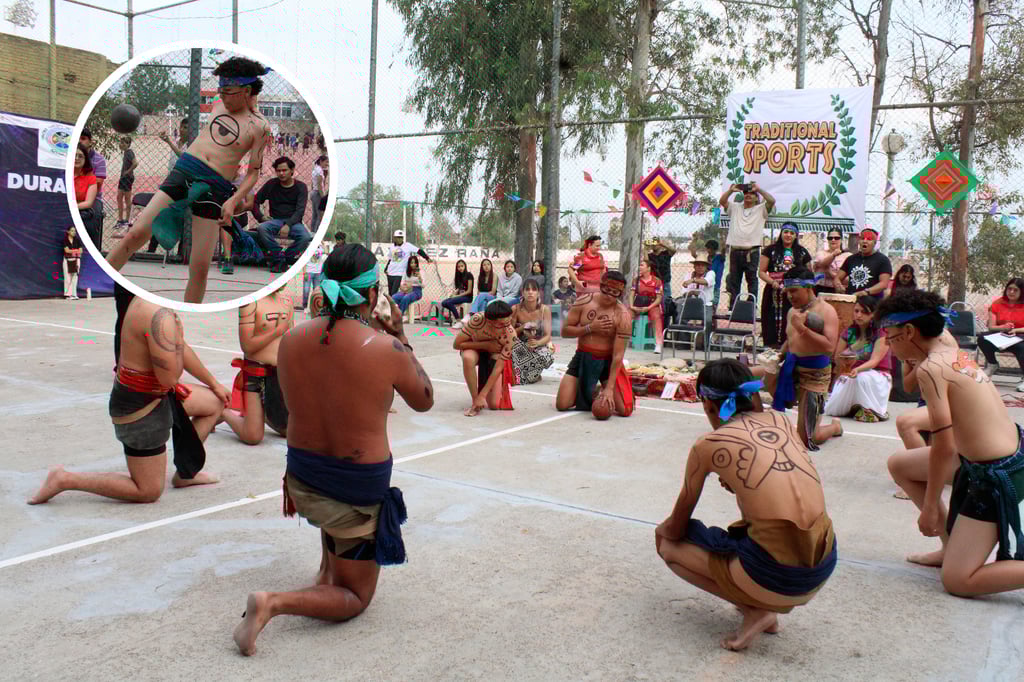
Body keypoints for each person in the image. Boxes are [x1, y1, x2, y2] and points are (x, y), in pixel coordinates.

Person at [232, 244, 434, 656]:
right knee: (355, 598)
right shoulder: (384, 348)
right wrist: (398, 333)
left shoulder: (291, 339)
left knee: (332, 532)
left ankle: (328, 569)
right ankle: (272, 603)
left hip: (302, 480)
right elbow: (424, 398)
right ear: (373, 294)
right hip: (353, 492)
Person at [654, 358, 837, 651]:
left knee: (667, 544)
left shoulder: (708, 445)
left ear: (709, 406)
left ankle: (756, 609)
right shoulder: (780, 420)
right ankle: (759, 601)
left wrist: (660, 531)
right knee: (754, 530)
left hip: (777, 576)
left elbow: (676, 528)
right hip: (823, 561)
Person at [877, 289, 1024, 597]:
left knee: (957, 581)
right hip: (990, 454)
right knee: (900, 464)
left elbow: (943, 447)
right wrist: (908, 352)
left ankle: (956, 555)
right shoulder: (945, 343)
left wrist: (930, 507)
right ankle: (950, 545)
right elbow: (908, 384)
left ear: (909, 331)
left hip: (998, 473)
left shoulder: (932, 369)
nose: (888, 345)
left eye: (890, 337)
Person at [27, 285, 226, 505]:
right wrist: (177, 339)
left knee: (215, 402)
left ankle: (186, 473)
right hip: (141, 408)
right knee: (148, 491)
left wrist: (214, 384)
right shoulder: (158, 315)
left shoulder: (151, 305)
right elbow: (169, 378)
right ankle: (64, 479)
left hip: (157, 397)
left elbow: (179, 347)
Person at [106, 57, 273, 303]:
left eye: (229, 92)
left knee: (200, 265)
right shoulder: (219, 104)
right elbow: (230, 87)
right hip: (186, 170)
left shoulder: (260, 126)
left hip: (215, 187)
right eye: (220, 91)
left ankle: (187, 314)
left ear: (246, 91)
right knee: (136, 234)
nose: (222, 96)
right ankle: (95, 283)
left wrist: (234, 200)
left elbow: (253, 173)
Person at [752, 266, 843, 450]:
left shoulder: (827, 311)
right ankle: (760, 421)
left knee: (809, 439)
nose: (790, 296)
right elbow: (791, 339)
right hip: (791, 367)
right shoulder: (793, 311)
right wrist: (777, 356)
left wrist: (802, 328)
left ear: (809, 288)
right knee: (744, 376)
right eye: (787, 292)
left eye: (794, 291)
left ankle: (834, 427)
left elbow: (829, 347)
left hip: (815, 376)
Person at [556, 271, 635, 417]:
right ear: (601, 286)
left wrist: (610, 388)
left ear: (620, 294)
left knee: (624, 410)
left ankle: (600, 388)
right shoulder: (584, 301)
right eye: (607, 290)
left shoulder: (622, 316)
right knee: (562, 404)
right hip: (583, 356)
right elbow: (565, 332)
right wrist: (590, 328)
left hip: (607, 361)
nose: (609, 296)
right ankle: (591, 390)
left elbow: (618, 356)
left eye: (615, 293)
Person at [222, 287, 294, 445]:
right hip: (256, 372)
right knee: (253, 437)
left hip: (279, 373)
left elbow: (290, 337)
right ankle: (222, 413)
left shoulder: (287, 300)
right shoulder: (250, 301)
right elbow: (247, 346)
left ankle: (262, 414)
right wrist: (277, 331)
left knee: (288, 431)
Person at [824, 295, 892, 422]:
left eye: (864, 312)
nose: (859, 315)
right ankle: (857, 408)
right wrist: (854, 347)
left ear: (873, 314)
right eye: (856, 311)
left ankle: (871, 409)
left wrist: (858, 370)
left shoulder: (881, 332)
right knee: (832, 409)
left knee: (861, 378)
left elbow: (874, 361)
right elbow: (837, 358)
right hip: (851, 374)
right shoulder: (849, 332)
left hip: (877, 376)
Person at [453, 301, 517, 416]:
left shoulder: (511, 334)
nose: (505, 327)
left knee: (494, 405)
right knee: (467, 358)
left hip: (494, 355)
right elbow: (457, 345)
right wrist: (485, 345)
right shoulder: (478, 319)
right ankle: (475, 400)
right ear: (490, 322)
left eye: (508, 322)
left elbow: (498, 367)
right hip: (475, 349)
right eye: (501, 324)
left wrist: (483, 395)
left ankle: (481, 396)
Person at [720, 182, 776, 309]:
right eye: (746, 193)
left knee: (751, 280)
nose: (748, 195)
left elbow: (772, 201)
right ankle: (733, 307)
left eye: (752, 194)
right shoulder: (735, 207)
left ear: (757, 198)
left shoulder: (761, 209)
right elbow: (722, 201)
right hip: (735, 250)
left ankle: (751, 307)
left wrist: (759, 189)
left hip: (752, 251)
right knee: (734, 280)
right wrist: (731, 191)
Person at [252, 157, 312, 273]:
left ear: (292, 170)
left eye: (284, 170)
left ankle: (285, 259)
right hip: (275, 220)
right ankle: (278, 257)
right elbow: (255, 201)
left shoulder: (301, 187)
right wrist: (261, 216)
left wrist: (288, 225)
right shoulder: (271, 184)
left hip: (294, 222)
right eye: (278, 171)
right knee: (262, 228)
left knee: (305, 237)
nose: (281, 173)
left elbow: (300, 211)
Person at [758, 224, 812, 349]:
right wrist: (773, 282)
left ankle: (789, 348)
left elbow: (809, 274)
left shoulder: (802, 252)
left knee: (791, 317)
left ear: (796, 236)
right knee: (770, 318)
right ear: (781, 233)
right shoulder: (770, 250)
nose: (788, 235)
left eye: (792, 233)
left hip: (794, 293)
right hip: (773, 290)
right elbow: (761, 272)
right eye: (786, 232)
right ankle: (770, 350)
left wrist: (798, 285)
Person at [979, 277, 1024, 387]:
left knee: (1022, 348)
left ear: (1022, 291)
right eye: (1009, 289)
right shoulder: (997, 303)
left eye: (1015, 290)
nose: (1011, 292)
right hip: (1001, 335)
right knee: (982, 338)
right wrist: (1003, 327)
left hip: (1020, 336)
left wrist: (1015, 330)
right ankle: (992, 364)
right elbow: (991, 327)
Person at [511, 279, 555, 384]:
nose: (530, 292)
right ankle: (531, 374)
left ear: (538, 293)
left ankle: (532, 373)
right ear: (522, 292)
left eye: (534, 289)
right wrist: (522, 328)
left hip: (538, 345)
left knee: (547, 356)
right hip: (519, 346)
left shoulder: (545, 310)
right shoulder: (515, 309)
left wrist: (537, 343)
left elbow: (548, 335)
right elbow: (509, 334)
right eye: (527, 289)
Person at [839, 227, 892, 298]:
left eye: (869, 239)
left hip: (872, 302)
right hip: (851, 299)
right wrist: (837, 284)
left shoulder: (883, 260)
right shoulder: (851, 259)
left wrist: (865, 292)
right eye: (862, 238)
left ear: (875, 243)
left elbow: (884, 284)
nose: (865, 241)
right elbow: (838, 278)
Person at [79, 128, 107, 245]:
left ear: (90, 141)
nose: (80, 141)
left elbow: (98, 183)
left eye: (84, 139)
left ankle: (93, 251)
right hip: (75, 196)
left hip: (93, 198)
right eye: (78, 138)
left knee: (92, 219)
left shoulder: (99, 160)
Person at [631, 258, 665, 353]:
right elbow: (631, 295)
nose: (639, 267)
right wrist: (631, 306)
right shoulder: (636, 280)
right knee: (626, 315)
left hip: (652, 304)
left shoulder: (657, 281)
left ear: (648, 268)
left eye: (642, 265)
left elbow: (659, 298)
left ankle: (658, 344)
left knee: (656, 317)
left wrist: (648, 308)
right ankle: (622, 340)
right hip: (638, 304)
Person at [384, 230, 432, 296]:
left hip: (400, 273)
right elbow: (390, 259)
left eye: (401, 237)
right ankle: (393, 305)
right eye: (398, 237)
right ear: (394, 238)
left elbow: (419, 251)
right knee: (390, 293)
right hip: (390, 272)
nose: (400, 239)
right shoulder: (392, 247)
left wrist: (427, 258)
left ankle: (395, 305)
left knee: (393, 293)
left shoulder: (407, 246)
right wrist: (386, 268)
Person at [72, 142, 100, 247]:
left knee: (89, 225)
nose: (77, 158)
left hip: (80, 210)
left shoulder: (90, 177)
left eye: (80, 156)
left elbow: (88, 203)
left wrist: (72, 208)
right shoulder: (62, 173)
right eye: (74, 155)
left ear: (85, 160)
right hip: (61, 209)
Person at [812, 230, 850, 295]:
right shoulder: (821, 253)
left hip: (840, 290)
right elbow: (823, 265)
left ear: (841, 240)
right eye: (830, 238)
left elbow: (849, 279)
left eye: (836, 238)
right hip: (821, 288)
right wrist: (833, 255)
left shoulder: (848, 256)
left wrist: (832, 275)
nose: (833, 240)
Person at [113, 136, 138, 232]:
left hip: (127, 178)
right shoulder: (126, 153)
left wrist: (127, 171)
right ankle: (121, 219)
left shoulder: (129, 152)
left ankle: (127, 219)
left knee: (127, 199)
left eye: (124, 143)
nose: (121, 144)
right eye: (121, 142)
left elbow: (135, 163)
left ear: (128, 144)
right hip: (124, 178)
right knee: (119, 197)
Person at [441, 259, 474, 324]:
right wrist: (454, 294)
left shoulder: (469, 275)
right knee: (444, 303)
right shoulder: (458, 276)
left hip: (468, 297)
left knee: (449, 302)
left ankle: (458, 319)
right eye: (458, 267)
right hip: (461, 296)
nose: (460, 268)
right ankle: (457, 317)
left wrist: (456, 296)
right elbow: (459, 289)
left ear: (465, 266)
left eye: (462, 266)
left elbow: (469, 291)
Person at [303, 243, 326, 311]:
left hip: (318, 273)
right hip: (308, 272)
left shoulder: (321, 249)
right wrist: (305, 272)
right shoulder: (308, 248)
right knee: (306, 290)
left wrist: (323, 243)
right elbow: (303, 261)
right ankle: (305, 306)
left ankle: (314, 307)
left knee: (316, 291)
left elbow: (327, 252)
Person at [62, 226, 83, 300]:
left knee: (75, 276)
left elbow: (81, 250)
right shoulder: (65, 240)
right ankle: (68, 294)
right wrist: (75, 250)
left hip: (76, 259)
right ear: (68, 232)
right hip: (67, 260)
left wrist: (73, 251)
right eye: (72, 231)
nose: (74, 232)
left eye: (74, 231)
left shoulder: (77, 240)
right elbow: (66, 250)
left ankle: (74, 294)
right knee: (67, 277)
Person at [309, 155, 328, 232]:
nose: (327, 164)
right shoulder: (320, 171)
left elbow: (312, 183)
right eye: (326, 162)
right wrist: (323, 196)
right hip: (317, 193)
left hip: (313, 192)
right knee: (319, 215)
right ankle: (316, 232)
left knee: (314, 214)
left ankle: (312, 231)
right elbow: (320, 184)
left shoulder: (315, 169)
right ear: (321, 161)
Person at [705, 239, 725, 312]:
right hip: (706, 286)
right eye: (708, 248)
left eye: (711, 249)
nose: (709, 250)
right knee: (705, 307)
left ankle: (712, 321)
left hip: (715, 286)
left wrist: (723, 245)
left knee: (713, 308)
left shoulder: (720, 258)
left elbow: (723, 251)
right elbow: (694, 254)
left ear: (715, 250)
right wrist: (694, 240)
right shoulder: (705, 259)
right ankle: (705, 322)